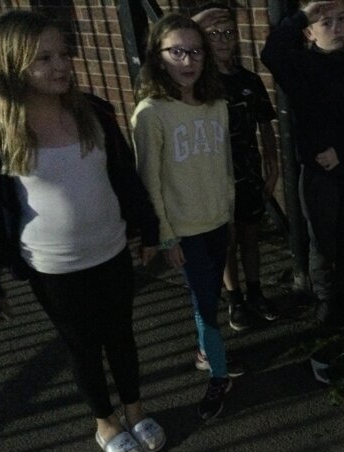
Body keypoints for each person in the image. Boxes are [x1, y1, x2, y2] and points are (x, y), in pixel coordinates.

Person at [0, 10, 165, 452]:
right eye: (43, 58)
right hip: (54, 266)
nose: (61, 65)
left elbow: (123, 176)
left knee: (121, 335)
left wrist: (147, 228)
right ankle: (106, 421)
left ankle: (135, 410)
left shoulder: (94, 111)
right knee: (83, 346)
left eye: (63, 54)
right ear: (11, 65)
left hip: (111, 249)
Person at [131, 13, 241, 420]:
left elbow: (224, 166)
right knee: (205, 305)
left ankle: (205, 352)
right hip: (184, 231)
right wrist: (166, 235)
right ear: (158, 57)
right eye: (176, 51)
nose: (187, 60)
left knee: (210, 296)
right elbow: (150, 181)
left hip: (216, 221)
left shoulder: (217, 106)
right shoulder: (151, 113)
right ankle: (219, 375)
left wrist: (228, 212)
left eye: (195, 51)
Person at [261, 0, 344, 324]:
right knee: (322, 237)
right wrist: (303, 15)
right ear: (309, 32)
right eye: (326, 22)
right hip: (319, 172)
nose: (337, 28)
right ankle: (326, 300)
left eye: (342, 19)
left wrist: (342, 151)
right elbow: (271, 53)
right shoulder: (301, 66)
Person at [192, 3, 280, 336]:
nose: (223, 40)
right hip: (215, 175)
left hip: (248, 170)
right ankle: (235, 298)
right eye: (214, 34)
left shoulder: (249, 80)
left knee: (250, 234)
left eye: (229, 32)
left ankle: (255, 292)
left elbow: (265, 123)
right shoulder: (197, 85)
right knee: (226, 239)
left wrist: (272, 165)